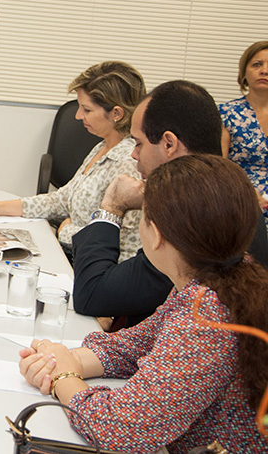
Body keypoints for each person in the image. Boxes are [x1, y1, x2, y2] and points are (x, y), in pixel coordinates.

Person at [19, 155, 268, 452]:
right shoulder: (214, 282)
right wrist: (57, 360)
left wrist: (63, 377)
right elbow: (133, 347)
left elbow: (120, 429)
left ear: (156, 235)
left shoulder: (207, 318)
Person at [72, 80, 268, 329]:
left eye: (139, 143)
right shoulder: (229, 188)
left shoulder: (192, 209)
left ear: (169, 144)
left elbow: (92, 295)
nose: (133, 154)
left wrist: (112, 207)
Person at [0, 61, 145, 260]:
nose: (78, 116)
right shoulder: (102, 147)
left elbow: (118, 242)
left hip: (94, 266)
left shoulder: (130, 163)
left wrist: (65, 231)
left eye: (87, 110)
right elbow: (62, 199)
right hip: (75, 255)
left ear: (116, 113)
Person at [220, 40, 268, 227]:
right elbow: (218, 165)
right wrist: (247, 191)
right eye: (257, 64)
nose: (264, 71)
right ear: (244, 72)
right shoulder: (226, 113)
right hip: (239, 203)